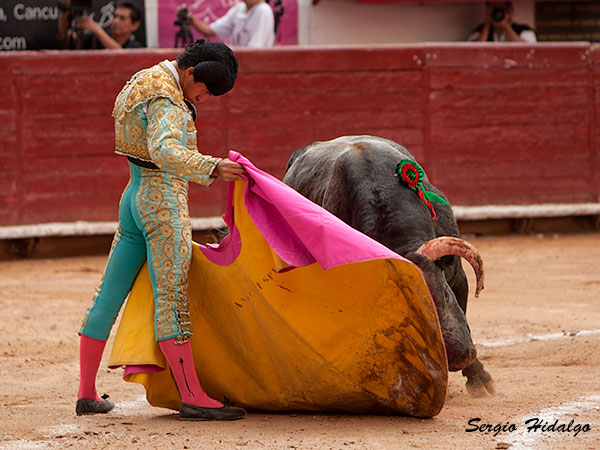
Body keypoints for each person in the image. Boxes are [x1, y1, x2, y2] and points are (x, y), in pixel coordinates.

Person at [76, 39, 247, 421]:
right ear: (189, 73)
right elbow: (165, 150)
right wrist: (212, 167)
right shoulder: (170, 99)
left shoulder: (147, 77)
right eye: (203, 90)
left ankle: (86, 392)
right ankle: (192, 395)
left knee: (108, 295)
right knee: (172, 298)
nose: (203, 98)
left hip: (133, 196)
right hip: (162, 201)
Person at [184, 0, 275, 48]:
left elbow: (255, 50)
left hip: (255, 67)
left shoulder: (263, 10)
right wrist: (192, 20)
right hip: (241, 65)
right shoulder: (239, 9)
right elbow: (210, 30)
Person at [58, 0, 143, 49]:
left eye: (122, 18)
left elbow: (124, 56)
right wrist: (65, 10)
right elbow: (65, 36)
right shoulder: (95, 39)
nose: (116, 21)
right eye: (115, 16)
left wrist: (96, 29)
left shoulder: (136, 47)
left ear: (135, 25)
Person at [467, 2, 537, 43]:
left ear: (510, 9)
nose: (498, 13)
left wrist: (505, 27)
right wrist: (487, 25)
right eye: (494, 8)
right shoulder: (480, 31)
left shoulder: (524, 30)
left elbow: (529, 51)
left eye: (501, 9)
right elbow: (472, 52)